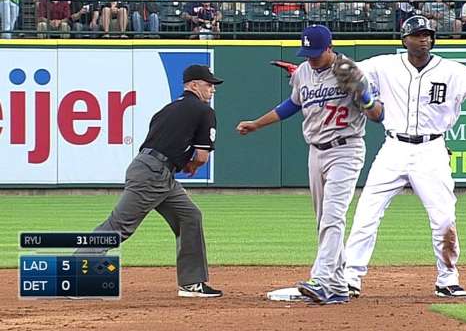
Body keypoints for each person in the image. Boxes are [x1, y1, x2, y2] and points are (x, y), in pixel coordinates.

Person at [342, 15, 466, 299]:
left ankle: (448, 279)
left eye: (428, 34)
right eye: (417, 34)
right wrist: (311, 73)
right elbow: (347, 71)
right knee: (366, 213)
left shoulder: (450, 71)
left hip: (431, 150)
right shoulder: (384, 64)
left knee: (443, 218)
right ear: (405, 40)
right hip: (394, 148)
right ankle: (350, 277)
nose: (424, 39)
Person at [236, 25, 383, 305]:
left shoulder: (350, 72)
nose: (312, 59)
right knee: (323, 221)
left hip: (346, 149)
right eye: (308, 54)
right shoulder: (303, 71)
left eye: (316, 54)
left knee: (333, 216)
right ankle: (339, 286)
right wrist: (256, 124)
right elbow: (291, 105)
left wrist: (364, 96)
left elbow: (377, 114)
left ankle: (321, 278)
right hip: (316, 152)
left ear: (330, 48)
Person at [89, 64, 224, 297]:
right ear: (193, 85)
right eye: (208, 84)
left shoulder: (167, 109)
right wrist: (192, 165)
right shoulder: (204, 111)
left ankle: (191, 283)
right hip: (154, 174)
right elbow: (202, 155)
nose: (213, 89)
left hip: (152, 169)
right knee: (119, 226)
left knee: (189, 216)